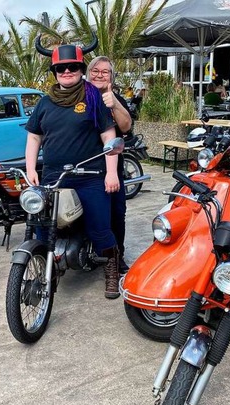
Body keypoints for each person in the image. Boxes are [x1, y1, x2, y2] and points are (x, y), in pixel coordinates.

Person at [29, 37, 121, 299]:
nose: (67, 72)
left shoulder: (93, 97)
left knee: (99, 227)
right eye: (61, 68)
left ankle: (112, 266)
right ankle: (50, 267)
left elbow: (109, 135)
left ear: (81, 69)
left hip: (90, 175)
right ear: (55, 72)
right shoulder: (45, 102)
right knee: (42, 226)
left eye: (72, 67)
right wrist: (30, 168)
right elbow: (34, 136)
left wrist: (111, 172)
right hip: (53, 176)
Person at [87, 55, 133, 274]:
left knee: (116, 213)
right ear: (87, 74)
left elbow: (125, 127)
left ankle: (117, 255)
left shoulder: (115, 98)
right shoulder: (79, 96)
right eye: (95, 71)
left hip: (110, 167)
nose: (99, 75)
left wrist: (113, 103)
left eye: (105, 72)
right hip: (83, 165)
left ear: (112, 76)